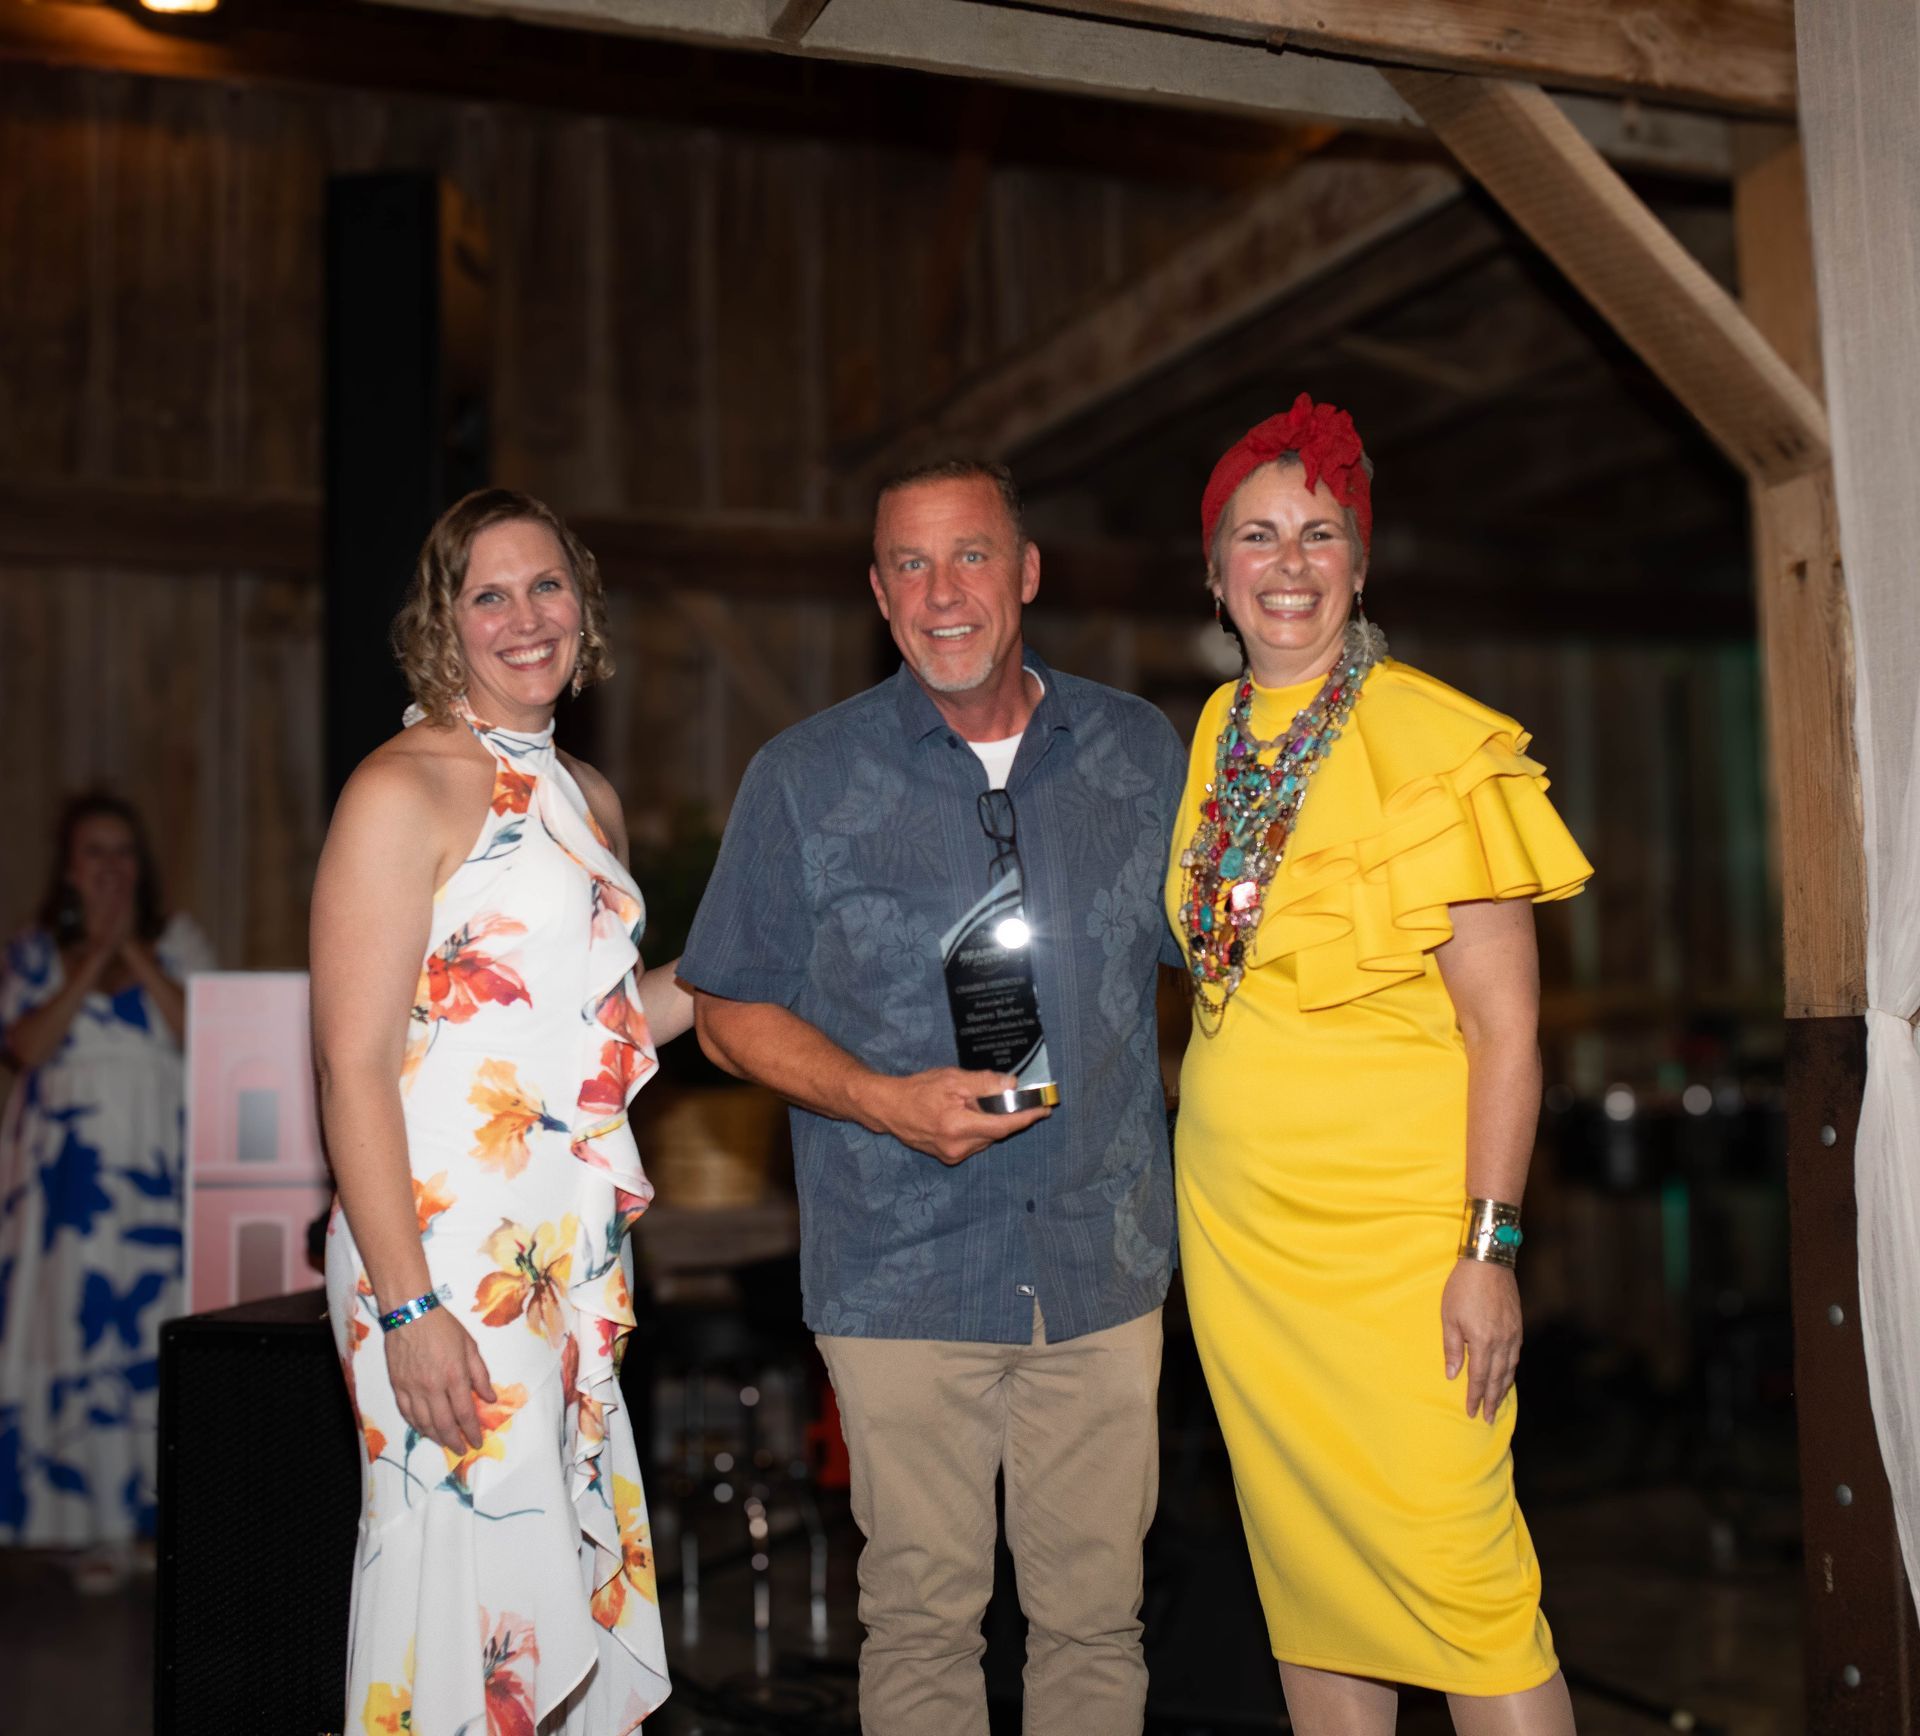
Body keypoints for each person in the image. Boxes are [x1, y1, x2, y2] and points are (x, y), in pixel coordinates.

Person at [679, 459, 1186, 1736]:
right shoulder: (803, 775)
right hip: (899, 1268)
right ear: (877, 591)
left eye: (970, 556)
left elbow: (1232, 952)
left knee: (1097, 1624)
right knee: (917, 1624)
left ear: (1027, 571)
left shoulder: (1137, 749)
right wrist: (879, 1099)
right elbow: (727, 1009)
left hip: (1102, 1260)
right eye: (910, 563)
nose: (942, 591)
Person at [1166, 395, 1593, 1734]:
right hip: (1247, 1250)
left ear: (1360, 562)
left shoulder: (1433, 743)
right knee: (1312, 1590)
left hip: (1403, 1252)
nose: (1288, 564)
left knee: (1470, 1592)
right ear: (1216, 573)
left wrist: (1489, 1248)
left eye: (1320, 533)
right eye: (1257, 536)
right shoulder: (1218, 732)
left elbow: (1506, 1031)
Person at [314, 489, 686, 1735]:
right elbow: (351, 1066)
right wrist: (407, 1305)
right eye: (490, 594)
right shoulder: (400, 787)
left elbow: (602, 1028)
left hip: (558, 1247)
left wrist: (748, 970)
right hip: (438, 1248)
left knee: (545, 1575)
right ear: (444, 621)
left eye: (547, 585)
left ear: (582, 602)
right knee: (456, 1582)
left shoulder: (589, 794)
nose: (525, 618)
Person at [0, 793, 214, 1586]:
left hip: (159, 1182)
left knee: (156, 1342)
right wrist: (91, 957)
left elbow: (210, 1040)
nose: (110, 867)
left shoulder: (179, 942)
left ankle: (163, 1527)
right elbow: (26, 1046)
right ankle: (89, 1527)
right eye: (94, 851)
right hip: (67, 1191)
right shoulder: (34, 954)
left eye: (123, 851)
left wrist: (135, 955)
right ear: (69, 867)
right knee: (74, 1340)